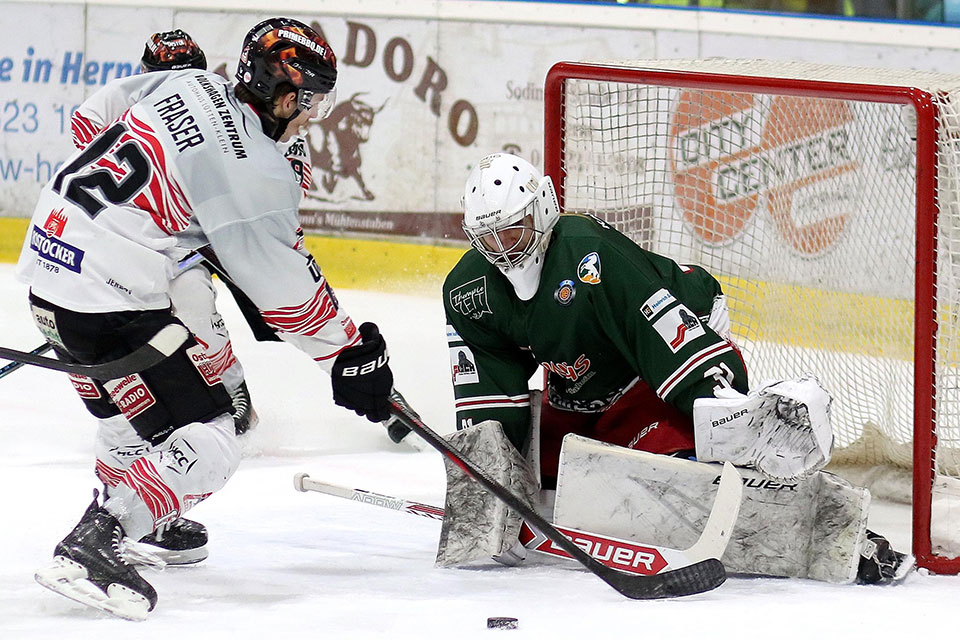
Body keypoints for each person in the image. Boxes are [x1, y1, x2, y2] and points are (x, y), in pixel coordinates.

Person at [17, 17, 396, 620]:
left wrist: (166, 204)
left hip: (45, 269)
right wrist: (351, 354)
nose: (313, 114)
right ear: (285, 93)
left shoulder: (189, 83)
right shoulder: (255, 166)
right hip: (109, 295)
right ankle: (97, 538)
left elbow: (95, 116)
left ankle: (137, 520)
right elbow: (288, 295)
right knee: (217, 434)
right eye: (312, 99)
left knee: (126, 413)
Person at [439, 152, 908, 584]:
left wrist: (720, 407)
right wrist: (482, 471)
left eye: (513, 230)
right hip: (581, 386)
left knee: (681, 471)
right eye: (488, 237)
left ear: (541, 209)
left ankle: (831, 522)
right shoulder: (468, 289)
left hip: (663, 358)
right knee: (550, 474)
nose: (504, 250)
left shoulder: (591, 256)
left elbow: (663, 333)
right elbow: (489, 391)